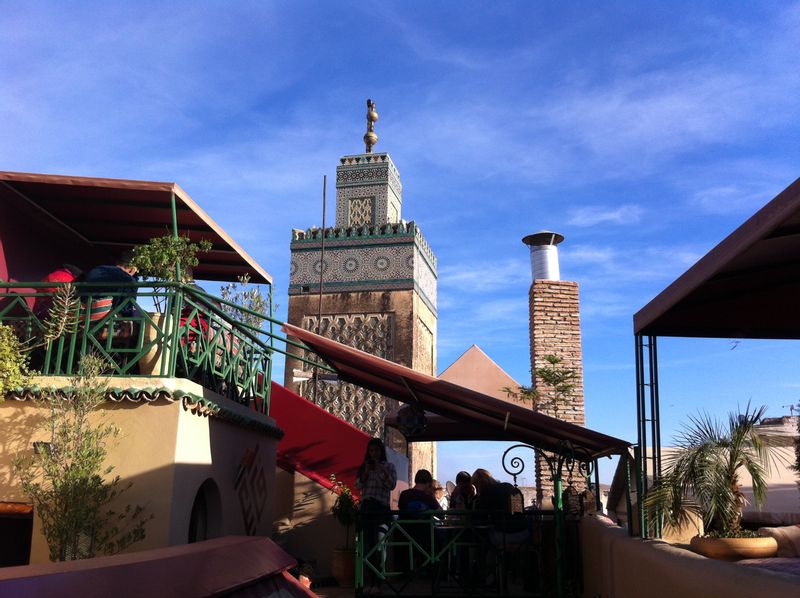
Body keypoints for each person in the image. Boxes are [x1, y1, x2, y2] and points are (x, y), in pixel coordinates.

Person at [355, 438, 397, 580]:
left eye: (377, 450)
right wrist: (366, 473)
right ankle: (368, 580)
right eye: (371, 451)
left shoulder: (389, 466)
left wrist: (383, 471)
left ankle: (379, 580)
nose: (374, 454)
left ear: (381, 451)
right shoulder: (364, 467)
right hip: (367, 509)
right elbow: (358, 486)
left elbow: (392, 485)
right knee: (367, 545)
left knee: (379, 544)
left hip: (381, 509)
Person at [83, 250, 139, 317]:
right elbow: (127, 308)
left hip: (81, 309)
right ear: (132, 268)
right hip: (99, 312)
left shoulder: (98, 268)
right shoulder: (128, 279)